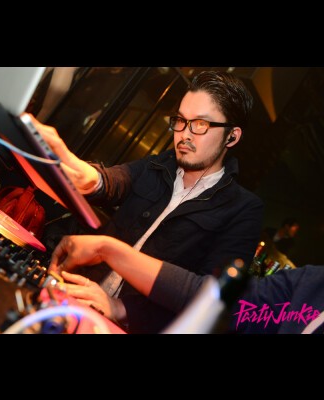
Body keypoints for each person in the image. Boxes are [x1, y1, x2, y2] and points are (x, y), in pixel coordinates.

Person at [32, 70, 264, 333]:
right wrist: (85, 175)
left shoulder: (244, 209)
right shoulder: (160, 163)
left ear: (232, 136)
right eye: (180, 120)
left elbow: (210, 299)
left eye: (200, 124)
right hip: (76, 303)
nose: (184, 134)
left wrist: (121, 308)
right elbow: (113, 181)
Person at [50, 234, 324, 334]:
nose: (187, 134)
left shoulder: (245, 209)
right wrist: (107, 249)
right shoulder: (312, 282)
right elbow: (219, 300)